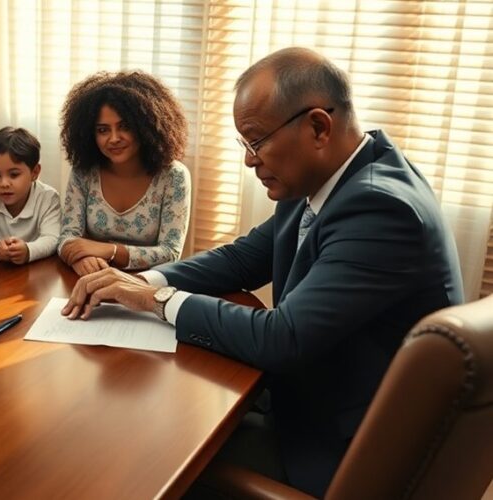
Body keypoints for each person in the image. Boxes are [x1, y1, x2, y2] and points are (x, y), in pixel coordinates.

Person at [61, 48, 464, 496]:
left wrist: (156, 301)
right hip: (306, 400)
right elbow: (241, 258)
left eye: (255, 142)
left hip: (336, 448)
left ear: (318, 127)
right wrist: (141, 282)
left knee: (145, 449)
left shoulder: (380, 209)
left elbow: (282, 338)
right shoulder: (329, 176)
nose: (250, 161)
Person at [57, 71, 192, 276]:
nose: (114, 138)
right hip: (92, 277)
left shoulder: (174, 176)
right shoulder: (84, 172)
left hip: (146, 283)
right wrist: (80, 257)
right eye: (103, 130)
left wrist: (108, 250)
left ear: (145, 127)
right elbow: (67, 237)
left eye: (125, 127)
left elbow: (170, 253)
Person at [0, 127, 61, 264]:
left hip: (37, 270)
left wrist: (28, 250)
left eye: (14, 174)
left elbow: (52, 238)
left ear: (35, 172)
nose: (4, 183)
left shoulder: (49, 197)